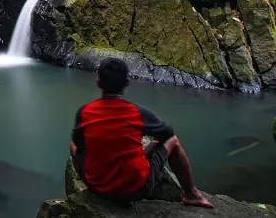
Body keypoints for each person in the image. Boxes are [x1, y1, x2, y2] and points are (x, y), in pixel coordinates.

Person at [69, 58, 213, 208]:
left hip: (98, 188)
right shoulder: (137, 113)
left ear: (99, 83)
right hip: (136, 189)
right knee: (173, 141)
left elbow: (80, 146)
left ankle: (90, 183)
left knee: (74, 144)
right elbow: (168, 132)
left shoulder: (85, 112)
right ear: (126, 84)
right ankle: (192, 194)